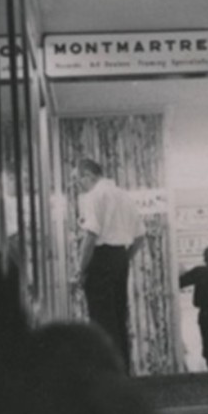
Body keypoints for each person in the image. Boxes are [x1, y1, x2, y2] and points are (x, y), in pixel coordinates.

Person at [73, 157, 147, 373]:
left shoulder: (93, 195)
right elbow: (141, 236)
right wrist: (124, 258)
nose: (78, 185)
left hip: (100, 258)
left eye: (78, 179)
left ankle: (107, 375)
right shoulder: (124, 196)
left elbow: (91, 236)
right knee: (117, 316)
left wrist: (80, 269)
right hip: (120, 259)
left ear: (89, 175)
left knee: (101, 318)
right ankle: (122, 371)